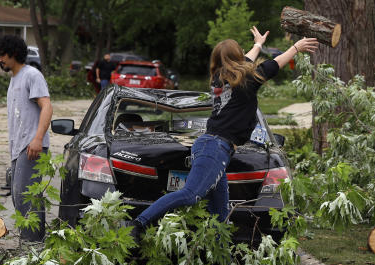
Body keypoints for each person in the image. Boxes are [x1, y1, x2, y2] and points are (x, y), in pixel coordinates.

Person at [131, 27, 318, 238]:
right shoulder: (246, 80)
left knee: (220, 217)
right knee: (191, 194)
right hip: (216, 147)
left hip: (213, 146)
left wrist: (258, 45)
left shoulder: (219, 79)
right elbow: (275, 64)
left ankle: (223, 262)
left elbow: (246, 60)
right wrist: (296, 47)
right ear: (237, 58)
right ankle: (140, 223)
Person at [0, 35, 53, 242]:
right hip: (19, 148)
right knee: (20, 196)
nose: (0, 60)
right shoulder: (14, 80)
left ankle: (33, 246)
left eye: (2, 55)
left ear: (14, 54)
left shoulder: (31, 75)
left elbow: (46, 106)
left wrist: (37, 139)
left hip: (32, 146)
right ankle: (30, 243)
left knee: (27, 196)